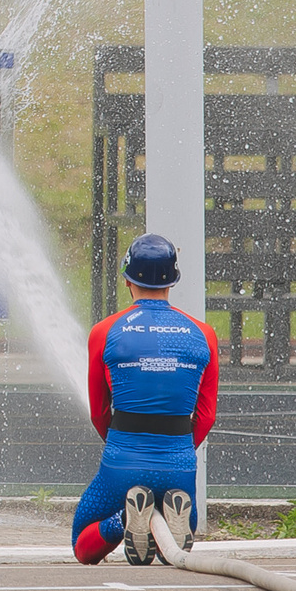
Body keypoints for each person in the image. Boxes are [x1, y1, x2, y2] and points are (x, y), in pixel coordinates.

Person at [73, 234, 218, 565]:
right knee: (178, 544)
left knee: (82, 542)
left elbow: (99, 412)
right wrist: (175, 449)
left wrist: (124, 445)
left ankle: (123, 520)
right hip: (179, 464)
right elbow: (207, 415)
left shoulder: (104, 331)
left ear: (127, 280)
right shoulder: (204, 334)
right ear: (172, 282)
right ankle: (167, 522)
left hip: (122, 459)